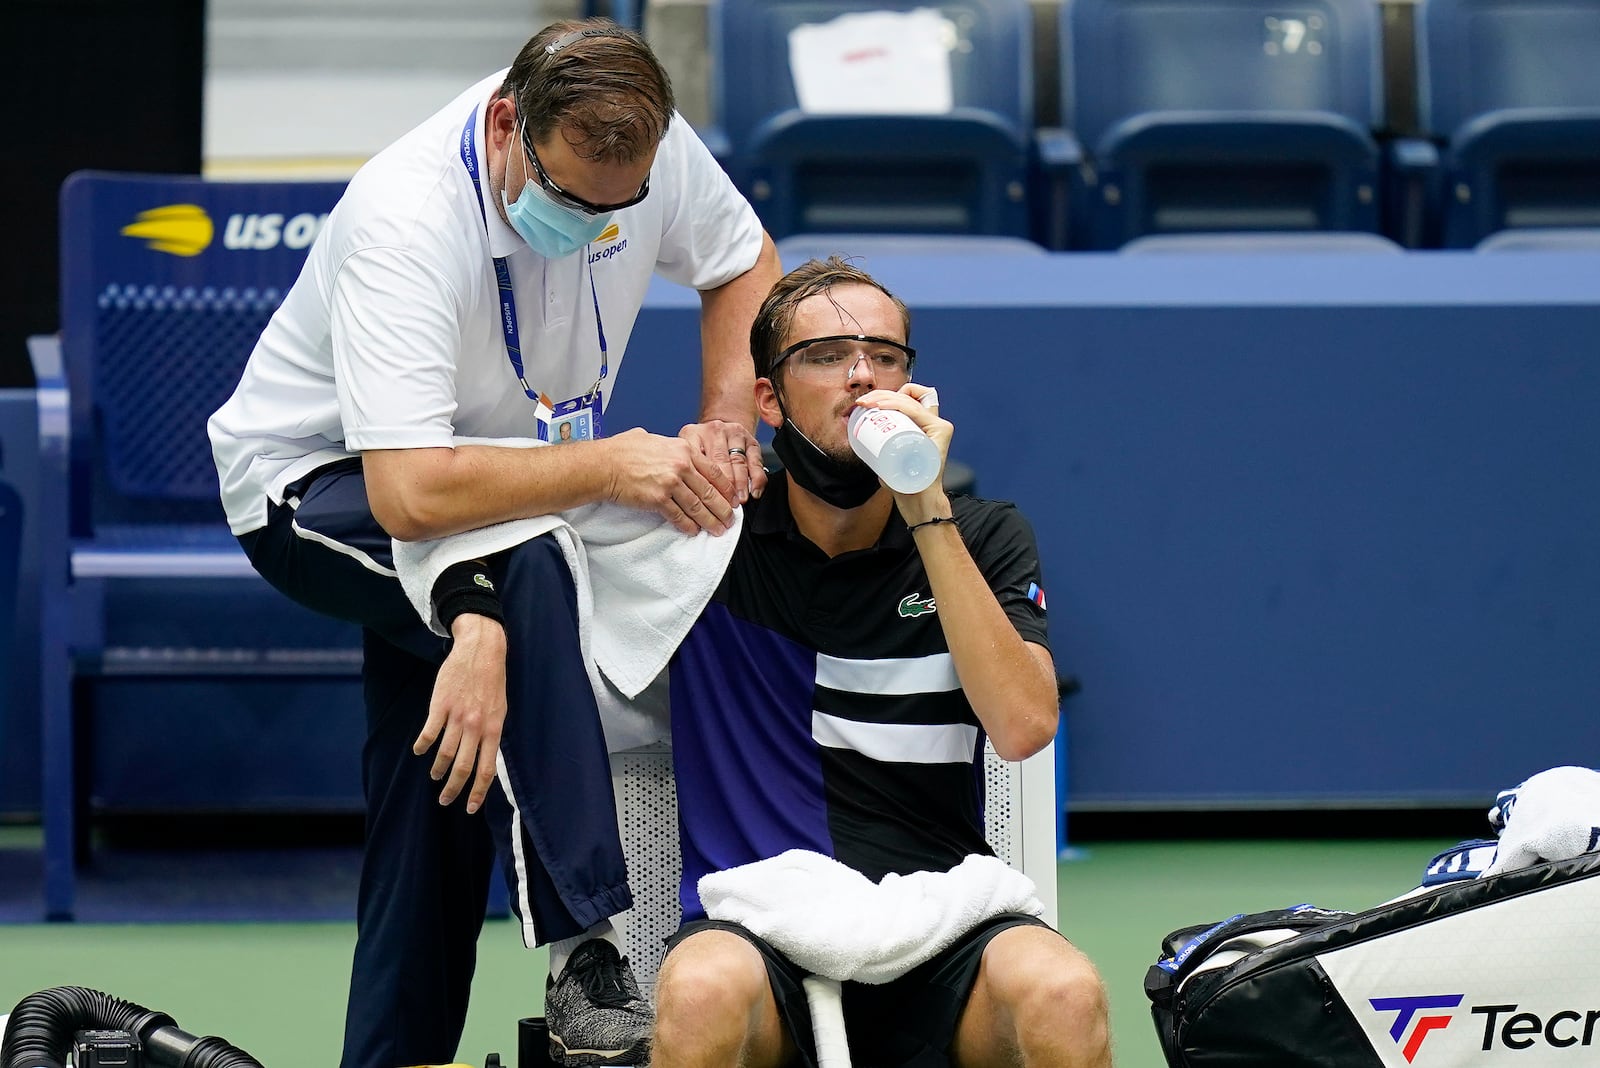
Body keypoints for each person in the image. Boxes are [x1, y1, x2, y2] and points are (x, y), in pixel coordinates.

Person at [206, 18, 781, 1068]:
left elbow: (742, 263)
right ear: (510, 124)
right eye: (569, 201)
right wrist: (598, 479)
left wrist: (724, 421)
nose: (597, 224)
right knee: (532, 571)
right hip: (319, 492)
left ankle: (388, 1056)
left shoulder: (641, 143)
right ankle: (587, 946)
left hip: (506, 490)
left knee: (440, 783)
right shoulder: (407, 216)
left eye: (622, 211)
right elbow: (412, 489)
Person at [650, 258, 1113, 1068]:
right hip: (766, 927)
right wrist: (477, 627)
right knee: (697, 992)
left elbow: (1023, 725)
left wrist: (924, 505)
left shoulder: (982, 535)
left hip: (940, 923)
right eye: (827, 356)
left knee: (1063, 993)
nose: (862, 374)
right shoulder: (705, 539)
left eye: (884, 356)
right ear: (768, 399)